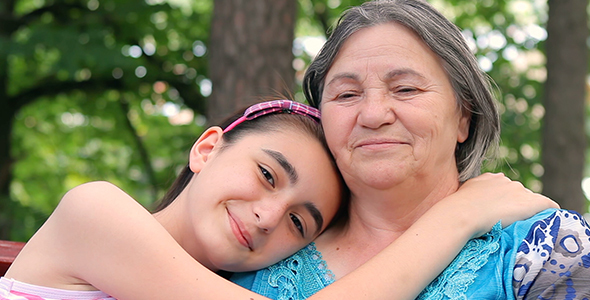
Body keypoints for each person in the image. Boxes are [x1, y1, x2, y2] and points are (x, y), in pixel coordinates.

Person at [0, 99, 556, 300]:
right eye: (267, 175)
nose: (269, 217)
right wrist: (458, 215)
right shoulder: (96, 212)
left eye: (299, 222)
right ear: (207, 148)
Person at [232, 1, 590, 299]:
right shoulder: (258, 240)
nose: (373, 115)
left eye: (406, 89)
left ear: (464, 116)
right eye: (346, 95)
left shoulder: (546, 247)